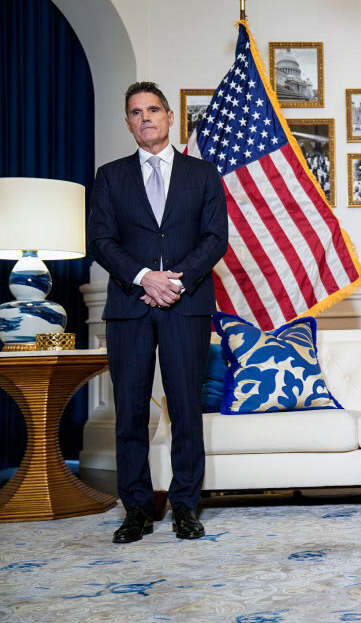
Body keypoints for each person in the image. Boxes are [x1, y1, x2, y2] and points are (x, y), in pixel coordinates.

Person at [88, 82, 228, 543]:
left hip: (186, 306)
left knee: (186, 410)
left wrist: (175, 282)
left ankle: (187, 506)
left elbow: (215, 239)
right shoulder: (109, 177)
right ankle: (136, 509)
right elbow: (101, 241)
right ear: (127, 123)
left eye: (153, 109)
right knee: (129, 413)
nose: (145, 117)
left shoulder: (203, 174)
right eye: (135, 112)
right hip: (130, 308)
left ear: (169, 117)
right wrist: (145, 277)